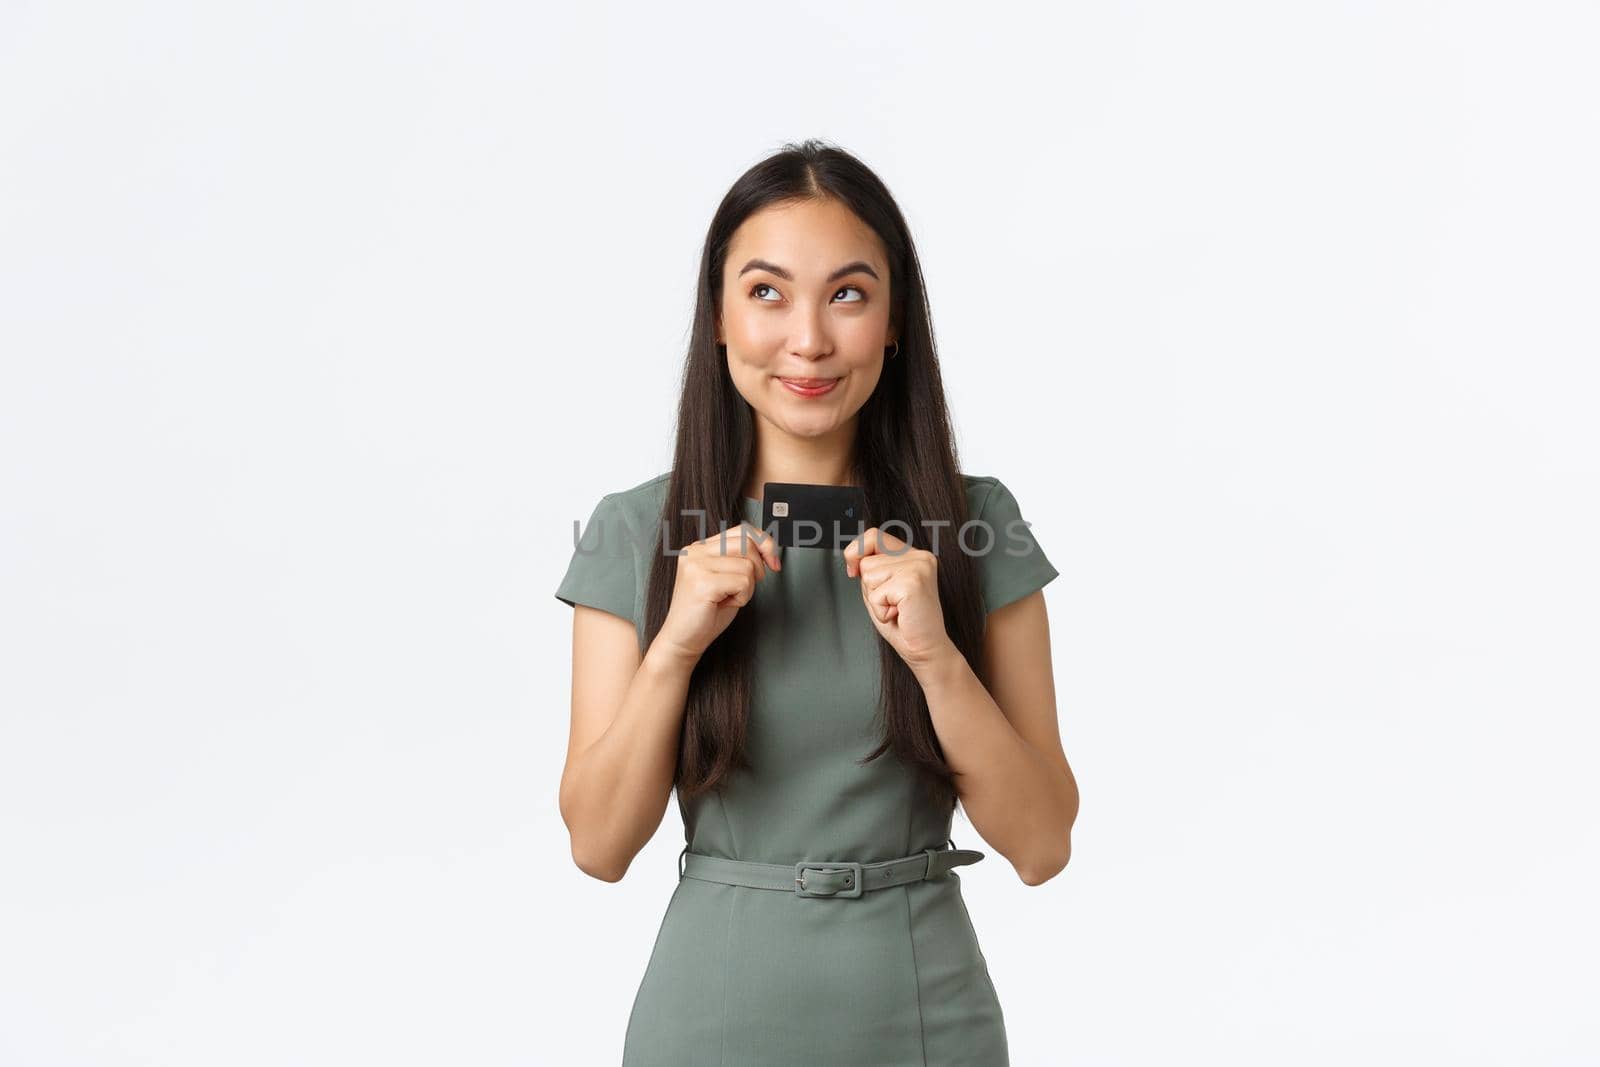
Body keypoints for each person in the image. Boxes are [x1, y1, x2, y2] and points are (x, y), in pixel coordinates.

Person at [554, 138, 1079, 1066]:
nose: (808, 339)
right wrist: (675, 645)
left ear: (894, 321)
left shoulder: (975, 524)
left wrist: (936, 658)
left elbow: (1041, 845)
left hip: (926, 1018)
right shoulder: (634, 529)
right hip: (709, 1018)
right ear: (717, 316)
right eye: (766, 292)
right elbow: (598, 845)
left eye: (847, 293)